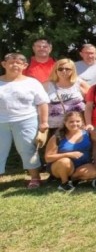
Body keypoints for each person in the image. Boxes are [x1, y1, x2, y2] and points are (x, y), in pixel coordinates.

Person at [0, 53, 49, 189]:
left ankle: (34, 178)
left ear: (24, 66)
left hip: (26, 120)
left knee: (27, 149)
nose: (14, 65)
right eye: (11, 62)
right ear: (4, 64)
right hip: (1, 122)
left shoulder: (32, 82)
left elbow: (43, 102)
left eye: (18, 63)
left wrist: (44, 123)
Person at [44, 111, 96, 191]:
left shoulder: (87, 133)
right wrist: (69, 154)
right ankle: (64, 183)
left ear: (82, 122)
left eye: (77, 121)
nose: (75, 124)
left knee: (94, 173)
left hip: (80, 166)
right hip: (60, 166)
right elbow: (48, 158)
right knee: (65, 161)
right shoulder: (58, 136)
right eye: (71, 122)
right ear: (65, 122)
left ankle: (72, 179)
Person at [45, 58, 89, 135]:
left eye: (67, 69)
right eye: (60, 69)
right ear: (56, 70)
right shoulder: (47, 85)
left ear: (73, 70)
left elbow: (92, 101)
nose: (64, 71)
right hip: (55, 126)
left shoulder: (79, 83)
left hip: (77, 125)